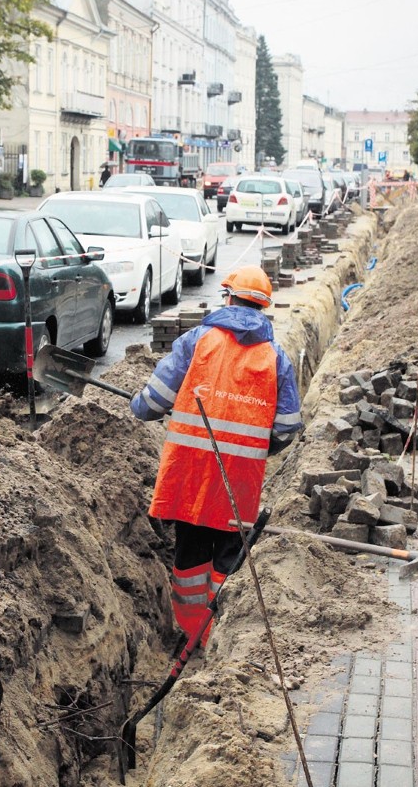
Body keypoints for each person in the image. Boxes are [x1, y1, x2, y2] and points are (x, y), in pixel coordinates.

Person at [130, 265, 303, 645]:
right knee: (228, 556)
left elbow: (155, 398)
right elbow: (288, 425)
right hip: (239, 480)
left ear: (228, 297)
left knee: (190, 553)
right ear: (263, 309)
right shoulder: (276, 358)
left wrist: (140, 406)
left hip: (189, 474)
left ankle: (192, 634)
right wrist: (260, 448)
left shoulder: (198, 340)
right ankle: (224, 633)